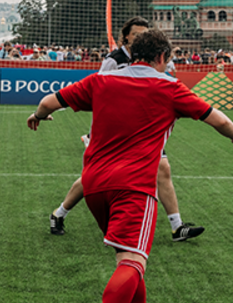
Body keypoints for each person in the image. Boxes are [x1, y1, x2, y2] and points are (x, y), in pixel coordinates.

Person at [27, 29, 233, 303]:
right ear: (162, 57)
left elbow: (48, 102)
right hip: (133, 185)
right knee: (133, 263)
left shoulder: (101, 81)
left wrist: (38, 116)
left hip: (93, 186)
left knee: (129, 261)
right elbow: (216, 119)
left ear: (133, 55)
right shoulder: (169, 87)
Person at [52, 17, 206, 243]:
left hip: (142, 130)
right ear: (125, 36)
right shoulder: (113, 61)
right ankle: (59, 214)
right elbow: (100, 93)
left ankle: (177, 226)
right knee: (95, 177)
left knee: (162, 169)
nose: (140, 37)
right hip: (114, 129)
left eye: (144, 33)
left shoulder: (151, 60)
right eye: (136, 34)